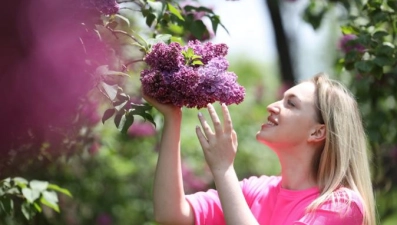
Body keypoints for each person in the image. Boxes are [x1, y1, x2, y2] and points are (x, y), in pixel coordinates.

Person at [145, 73, 376, 225]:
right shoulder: (255, 190)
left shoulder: (343, 206)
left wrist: (224, 170)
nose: (272, 106)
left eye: (291, 104)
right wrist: (172, 117)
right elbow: (170, 213)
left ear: (317, 132)